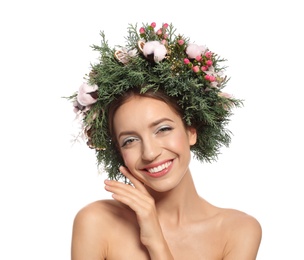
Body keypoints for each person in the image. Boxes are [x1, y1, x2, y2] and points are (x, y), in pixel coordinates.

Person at [68, 22, 262, 259]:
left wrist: (155, 241)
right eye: (130, 140)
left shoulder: (237, 231)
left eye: (162, 129)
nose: (149, 153)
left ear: (191, 130)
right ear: (118, 151)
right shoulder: (97, 222)